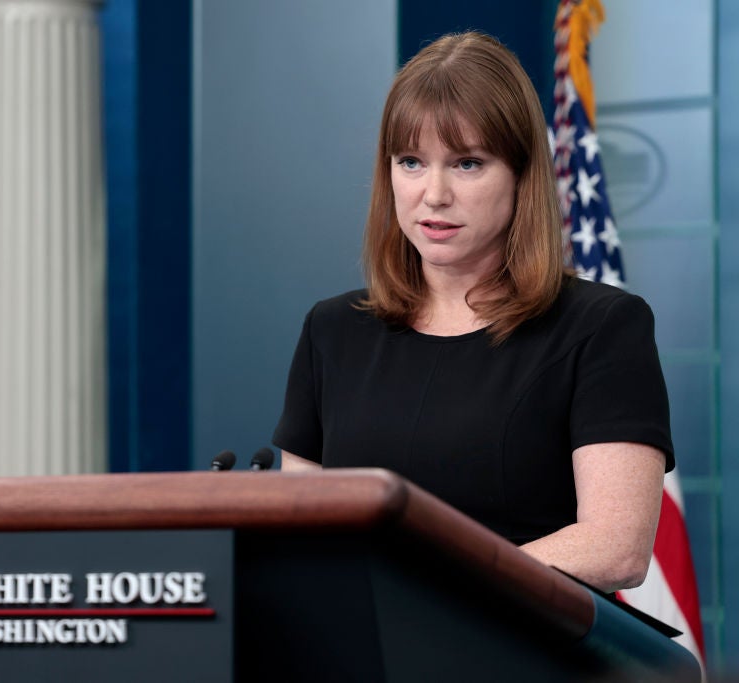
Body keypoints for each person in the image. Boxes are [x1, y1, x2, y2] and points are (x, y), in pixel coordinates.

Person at [272, 31, 672, 594]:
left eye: (467, 164)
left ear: (521, 176)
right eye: (410, 161)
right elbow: (301, 534)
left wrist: (438, 589)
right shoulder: (331, 332)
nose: (433, 194)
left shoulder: (601, 326)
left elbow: (615, 547)